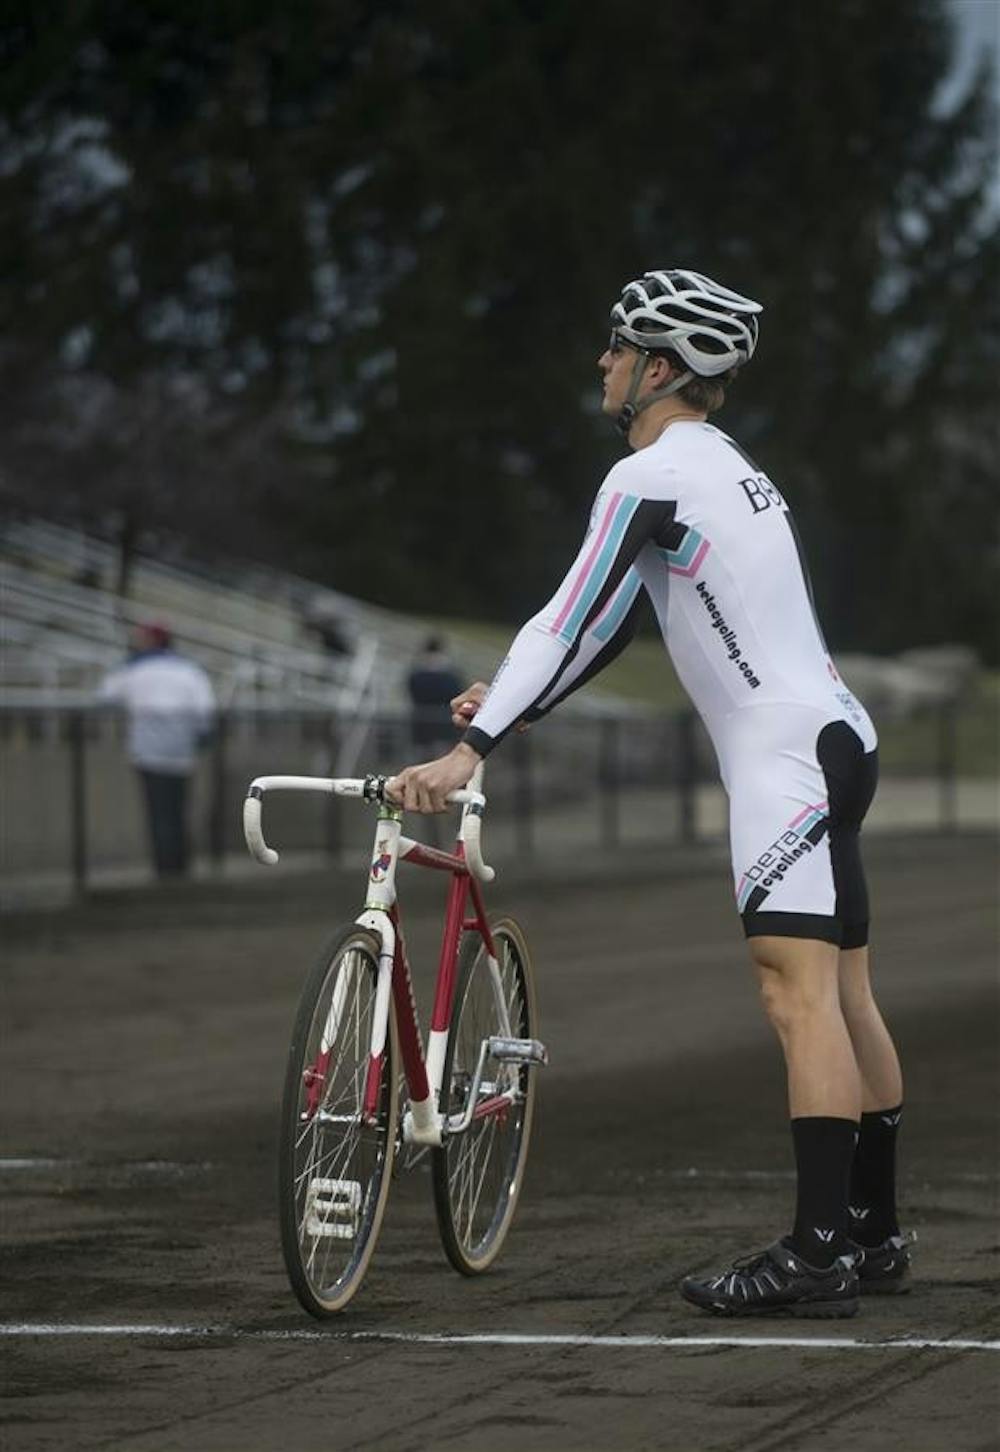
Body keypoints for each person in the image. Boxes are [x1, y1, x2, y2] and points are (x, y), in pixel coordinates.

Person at [388, 269, 909, 1319]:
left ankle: (818, 1259)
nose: (603, 362)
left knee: (795, 997)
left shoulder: (647, 478)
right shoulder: (720, 468)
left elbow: (562, 614)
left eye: (617, 348)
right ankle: (872, 1236)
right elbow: (614, 618)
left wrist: (471, 750)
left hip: (784, 766)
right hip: (834, 738)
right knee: (845, 994)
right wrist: (519, 708)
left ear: (659, 368)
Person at [99, 622, 216, 878]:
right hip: (181, 752)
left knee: (158, 811)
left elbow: (106, 695)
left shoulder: (133, 669)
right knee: (177, 809)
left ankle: (166, 868)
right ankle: (179, 866)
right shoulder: (188, 670)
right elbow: (205, 711)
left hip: (150, 752)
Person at [407, 636, 464, 757]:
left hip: (422, 721)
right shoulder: (450, 674)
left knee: (421, 756)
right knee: (439, 756)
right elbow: (457, 694)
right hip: (442, 721)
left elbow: (411, 692)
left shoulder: (416, 673)